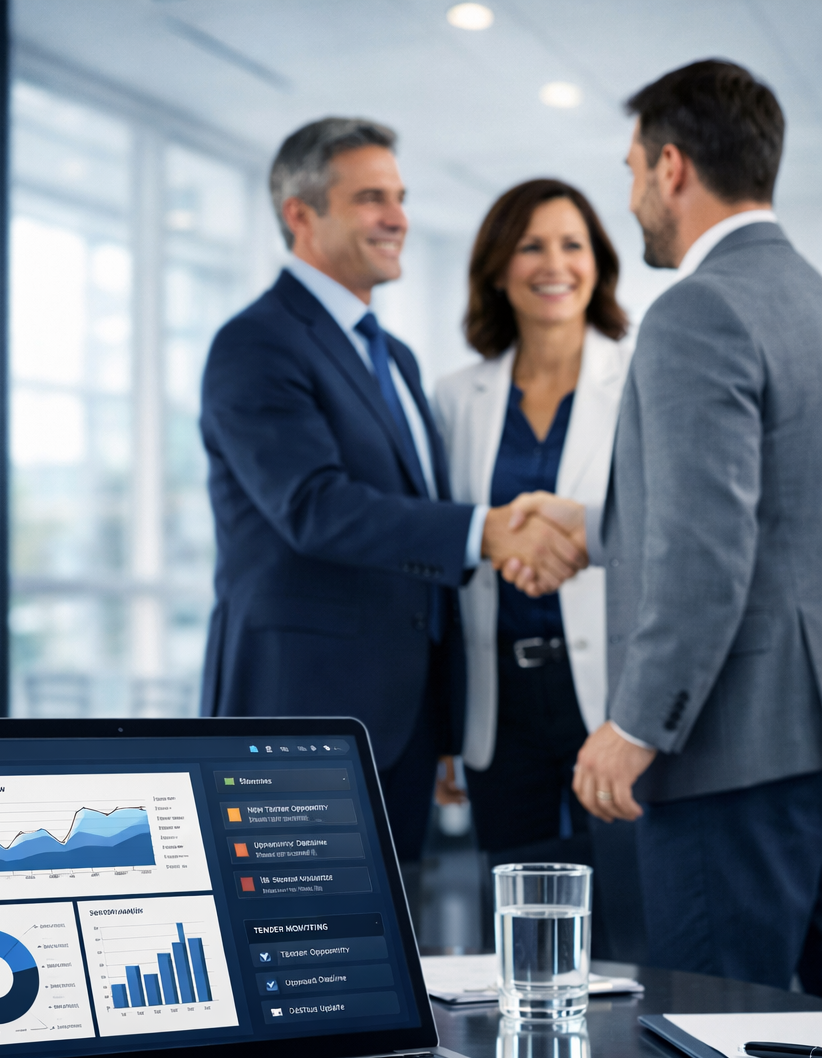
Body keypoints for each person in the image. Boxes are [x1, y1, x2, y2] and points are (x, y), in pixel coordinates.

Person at [199, 118, 585, 862]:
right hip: (299, 718)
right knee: (298, 952)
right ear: (300, 214)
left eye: (400, 197)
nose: (398, 218)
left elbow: (415, 564)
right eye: (371, 198)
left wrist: (444, 725)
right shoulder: (257, 343)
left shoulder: (395, 358)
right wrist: (488, 531)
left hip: (398, 728)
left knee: (385, 952)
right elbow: (313, 507)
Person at [564, 59, 822, 987]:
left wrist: (636, 723)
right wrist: (592, 526)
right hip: (807, 738)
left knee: (721, 1056)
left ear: (673, 167)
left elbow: (706, 549)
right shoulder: (810, 299)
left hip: (728, 753)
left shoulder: (697, 311)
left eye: (632, 170)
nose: (630, 196)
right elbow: (787, 516)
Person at [432, 180, 632, 860]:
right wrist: (445, 727)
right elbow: (444, 561)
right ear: (496, 268)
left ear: (598, 262)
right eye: (530, 246)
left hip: (610, 695)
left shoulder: (639, 379)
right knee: (517, 908)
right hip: (499, 701)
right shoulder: (458, 398)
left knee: (622, 913)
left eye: (573, 245)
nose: (555, 265)